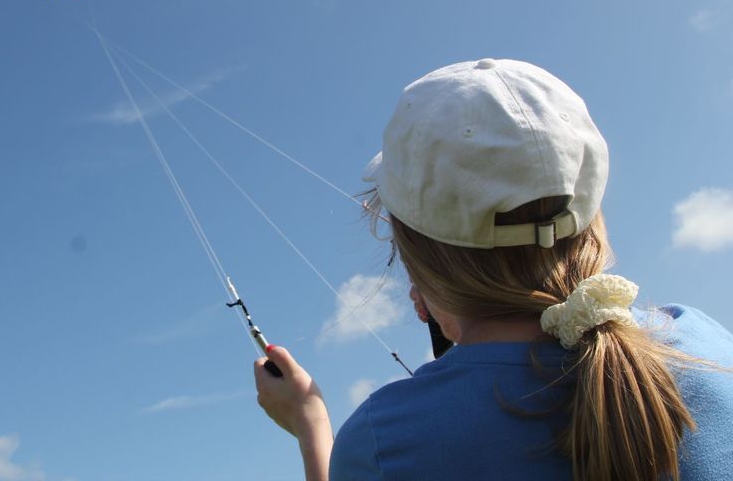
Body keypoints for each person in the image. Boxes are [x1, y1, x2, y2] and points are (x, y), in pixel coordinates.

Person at [254, 59, 733, 481]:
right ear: (591, 218)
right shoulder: (702, 343)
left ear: (418, 254)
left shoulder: (388, 440)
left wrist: (310, 421)